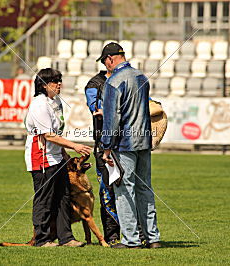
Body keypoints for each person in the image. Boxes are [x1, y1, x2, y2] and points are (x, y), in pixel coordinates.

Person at [98, 43, 162, 249]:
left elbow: (112, 118)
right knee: (145, 189)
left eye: (104, 62)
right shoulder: (141, 77)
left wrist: (106, 147)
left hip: (124, 144)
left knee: (124, 191)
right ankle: (152, 238)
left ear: (109, 59)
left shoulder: (113, 82)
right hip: (144, 141)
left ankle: (132, 240)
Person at [24, 68, 92, 247]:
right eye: (55, 81)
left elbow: (57, 132)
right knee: (44, 199)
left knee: (64, 197)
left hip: (57, 157)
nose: (59, 83)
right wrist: (75, 146)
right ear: (44, 85)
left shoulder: (55, 102)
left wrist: (64, 154)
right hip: (42, 158)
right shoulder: (39, 104)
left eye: (59, 80)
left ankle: (66, 238)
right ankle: (41, 239)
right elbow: (49, 135)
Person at [84, 68, 120, 245]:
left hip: (125, 146)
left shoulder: (125, 79)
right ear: (108, 61)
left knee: (128, 190)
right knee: (108, 191)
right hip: (103, 145)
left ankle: (132, 234)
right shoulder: (94, 84)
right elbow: (95, 108)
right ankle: (112, 235)